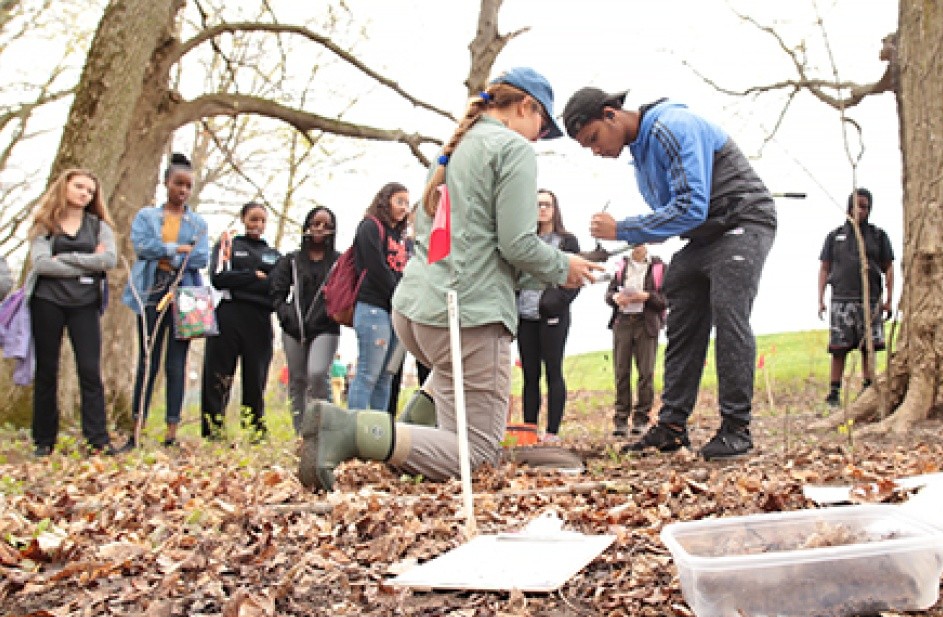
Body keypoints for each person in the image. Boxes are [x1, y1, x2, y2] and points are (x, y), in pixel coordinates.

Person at [297, 66, 602, 489]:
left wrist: (547, 271)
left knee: (449, 373)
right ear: (526, 106)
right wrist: (561, 266)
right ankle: (347, 431)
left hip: (417, 311)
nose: (537, 136)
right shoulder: (512, 150)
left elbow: (457, 239)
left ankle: (408, 439)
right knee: (477, 455)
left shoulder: (455, 147)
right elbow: (516, 243)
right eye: (541, 125)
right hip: (468, 317)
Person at [564, 87, 777, 460]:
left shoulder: (670, 126)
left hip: (743, 220)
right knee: (681, 311)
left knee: (729, 312)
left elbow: (689, 207)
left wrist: (623, 229)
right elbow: (675, 216)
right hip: (706, 234)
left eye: (594, 138)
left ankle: (736, 429)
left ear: (611, 113)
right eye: (587, 147)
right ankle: (672, 426)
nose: (596, 150)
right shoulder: (640, 155)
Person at [26, 169, 122, 456]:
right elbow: (41, 264)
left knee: (90, 370)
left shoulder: (98, 225)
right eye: (79, 187)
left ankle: (98, 439)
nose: (84, 194)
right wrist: (88, 262)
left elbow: (108, 259)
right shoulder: (45, 223)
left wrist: (66, 259)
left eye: (90, 191)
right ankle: (43, 441)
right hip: (47, 301)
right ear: (64, 187)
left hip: (84, 304)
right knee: (47, 370)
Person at [124, 152, 210, 447]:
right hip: (151, 288)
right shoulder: (147, 217)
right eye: (178, 184)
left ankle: (172, 431)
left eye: (188, 186)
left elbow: (201, 256)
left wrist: (171, 252)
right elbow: (143, 246)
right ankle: (137, 426)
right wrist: (178, 249)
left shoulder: (197, 223)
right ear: (166, 183)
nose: (183, 191)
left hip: (184, 292)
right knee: (148, 358)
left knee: (177, 362)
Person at [201, 202, 279, 439]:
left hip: (260, 320)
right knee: (218, 374)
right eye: (253, 219)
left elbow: (275, 287)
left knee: (256, 377)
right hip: (228, 315)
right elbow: (219, 278)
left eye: (262, 221)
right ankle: (213, 428)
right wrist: (252, 276)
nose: (258, 225)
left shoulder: (274, 255)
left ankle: (255, 430)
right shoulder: (228, 245)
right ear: (244, 219)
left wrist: (242, 282)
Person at [816, 188, 895, 408]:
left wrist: (889, 298)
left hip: (870, 300)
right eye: (856, 205)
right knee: (838, 349)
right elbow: (824, 268)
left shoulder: (878, 236)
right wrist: (820, 298)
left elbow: (889, 267)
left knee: (868, 348)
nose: (861, 210)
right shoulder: (835, 237)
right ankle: (834, 393)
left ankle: (869, 388)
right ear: (848, 207)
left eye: (865, 206)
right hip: (841, 300)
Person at [516, 188, 581, 441]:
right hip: (525, 314)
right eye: (538, 204)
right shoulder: (523, 241)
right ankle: (529, 430)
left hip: (552, 314)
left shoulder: (567, 241)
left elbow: (575, 281)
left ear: (555, 209)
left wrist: (556, 302)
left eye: (547, 204)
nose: (542, 209)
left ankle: (552, 432)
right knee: (529, 374)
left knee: (553, 370)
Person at [270, 206, 341, 434]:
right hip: (294, 328)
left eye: (326, 225)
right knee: (297, 380)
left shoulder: (338, 262)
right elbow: (276, 291)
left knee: (318, 373)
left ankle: (326, 430)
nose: (320, 229)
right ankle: (301, 433)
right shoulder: (291, 260)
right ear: (307, 226)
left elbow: (345, 292)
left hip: (326, 327)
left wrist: (333, 312)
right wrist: (285, 314)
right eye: (315, 223)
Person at [346, 183, 410, 411]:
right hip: (373, 306)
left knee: (386, 376)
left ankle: (375, 434)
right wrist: (398, 294)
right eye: (399, 201)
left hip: (396, 311)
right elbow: (376, 268)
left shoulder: (403, 239)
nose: (404, 208)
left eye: (407, 203)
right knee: (368, 372)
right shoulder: (369, 227)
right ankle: (354, 429)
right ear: (385, 201)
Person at [606, 243, 667, 437]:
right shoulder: (620, 266)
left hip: (646, 323)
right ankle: (621, 420)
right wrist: (616, 297)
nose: (637, 246)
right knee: (621, 372)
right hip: (623, 322)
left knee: (646, 373)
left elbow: (666, 299)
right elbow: (608, 294)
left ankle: (641, 419)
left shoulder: (659, 267)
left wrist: (646, 296)